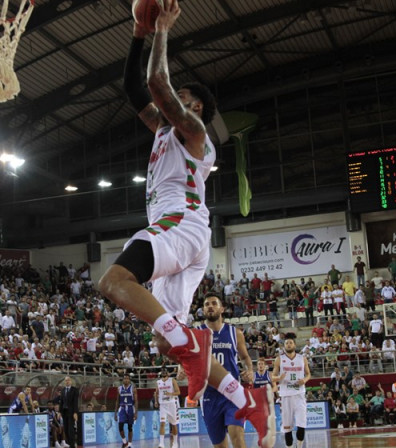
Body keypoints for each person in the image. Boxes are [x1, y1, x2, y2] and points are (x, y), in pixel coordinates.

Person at [98, 1, 274, 446]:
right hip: (188, 235)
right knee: (165, 342)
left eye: (186, 100)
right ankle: (246, 398)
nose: (176, 104)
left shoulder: (195, 132)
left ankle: (195, 351)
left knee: (114, 281)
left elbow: (157, 84)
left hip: (182, 223)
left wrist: (160, 29)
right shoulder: (162, 129)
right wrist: (137, 33)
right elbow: (134, 88)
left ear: (194, 108)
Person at [198, 293, 253, 448]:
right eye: (207, 304)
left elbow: (245, 357)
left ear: (221, 308)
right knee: (220, 445)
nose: (210, 306)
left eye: (214, 303)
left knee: (237, 436)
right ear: (203, 309)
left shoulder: (235, 333)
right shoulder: (196, 334)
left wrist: (249, 370)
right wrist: (181, 368)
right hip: (209, 394)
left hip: (232, 391)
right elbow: (186, 357)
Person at [273, 334, 311, 448]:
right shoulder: (279, 359)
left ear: (294, 344)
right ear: (284, 346)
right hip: (285, 395)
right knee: (287, 427)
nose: (288, 345)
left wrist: (304, 380)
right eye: (286, 343)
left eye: (290, 343)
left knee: (301, 423)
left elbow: (309, 374)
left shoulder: (302, 358)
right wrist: (279, 378)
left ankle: (299, 446)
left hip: (299, 394)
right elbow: (272, 376)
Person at [155, 369, 180, 448]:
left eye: (165, 373)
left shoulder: (172, 380)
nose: (164, 374)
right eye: (162, 373)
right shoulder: (158, 382)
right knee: (162, 423)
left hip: (171, 404)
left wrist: (170, 394)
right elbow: (156, 393)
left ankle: (175, 443)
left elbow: (178, 392)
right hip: (163, 405)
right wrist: (156, 401)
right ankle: (161, 443)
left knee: (174, 424)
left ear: (168, 374)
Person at [115, 373, 138, 448]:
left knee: (130, 427)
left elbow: (136, 401)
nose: (126, 380)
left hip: (130, 408)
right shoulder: (119, 388)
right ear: (123, 380)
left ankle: (130, 445)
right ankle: (125, 442)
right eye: (125, 378)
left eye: (127, 378)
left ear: (129, 380)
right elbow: (117, 401)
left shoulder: (133, 388)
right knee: (120, 426)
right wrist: (115, 413)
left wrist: (136, 413)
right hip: (122, 408)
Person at [60, 376, 79, 448]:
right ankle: (69, 443)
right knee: (66, 429)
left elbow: (75, 402)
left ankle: (72, 444)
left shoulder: (74, 390)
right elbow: (61, 402)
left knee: (71, 429)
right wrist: (59, 412)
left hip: (71, 412)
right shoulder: (63, 390)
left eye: (68, 380)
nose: (67, 382)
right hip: (64, 412)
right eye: (66, 380)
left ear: (71, 381)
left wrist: (75, 412)